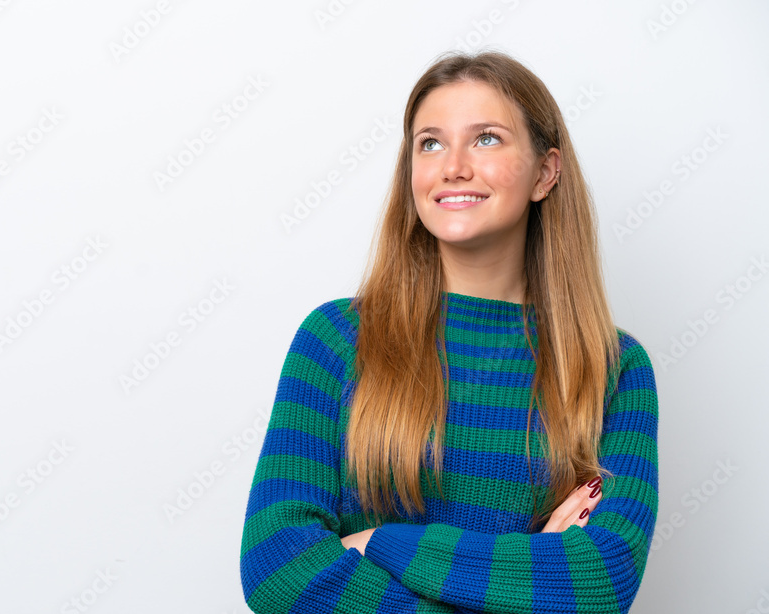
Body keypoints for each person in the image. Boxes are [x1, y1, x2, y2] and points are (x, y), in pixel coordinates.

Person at [239, 49, 659, 613]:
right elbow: (277, 567)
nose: (452, 165)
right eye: (430, 143)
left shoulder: (615, 369)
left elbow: (601, 581)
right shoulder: (336, 340)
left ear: (545, 172)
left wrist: (378, 543)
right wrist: (527, 577)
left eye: (486, 138)